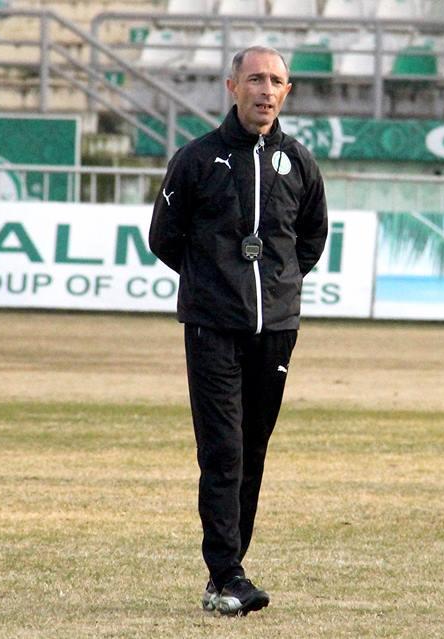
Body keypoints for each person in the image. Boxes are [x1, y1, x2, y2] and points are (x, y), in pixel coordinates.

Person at [148, 46, 328, 616]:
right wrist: (214, 286)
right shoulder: (196, 159)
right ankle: (227, 573)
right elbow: (164, 238)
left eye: (276, 81)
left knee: (252, 451)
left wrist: (275, 289)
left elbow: (311, 240)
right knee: (222, 451)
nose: (265, 90)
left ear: (287, 91)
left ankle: (226, 576)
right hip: (213, 328)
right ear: (232, 86)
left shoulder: (299, 162)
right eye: (255, 79)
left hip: (276, 329)